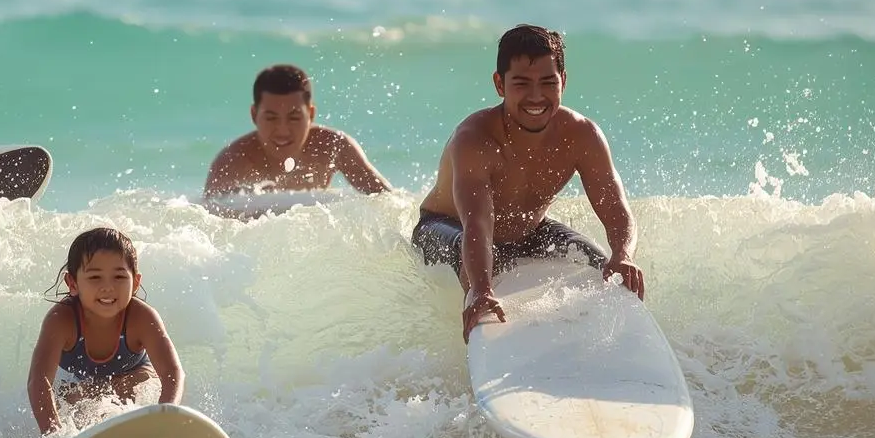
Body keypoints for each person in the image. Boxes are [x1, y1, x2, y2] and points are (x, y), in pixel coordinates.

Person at [413, 24, 646, 344]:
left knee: (601, 265)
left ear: (563, 81)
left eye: (548, 83)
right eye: (521, 83)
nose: (536, 96)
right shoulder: (474, 139)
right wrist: (481, 291)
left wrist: (623, 254)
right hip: (446, 227)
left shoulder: (583, 135)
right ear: (499, 84)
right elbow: (477, 224)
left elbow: (615, 205)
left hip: (531, 229)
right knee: (483, 257)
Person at [24, 227, 184, 438]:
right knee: (72, 404)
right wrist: (52, 436)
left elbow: (172, 373)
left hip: (135, 375)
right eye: (95, 277)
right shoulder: (61, 320)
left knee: (132, 387)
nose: (108, 287)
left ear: (135, 282)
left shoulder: (141, 317)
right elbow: (39, 382)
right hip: (82, 381)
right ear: (73, 284)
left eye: (119, 276)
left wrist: (165, 418)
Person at [203, 64, 392, 207]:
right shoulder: (232, 163)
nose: (283, 130)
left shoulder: (334, 146)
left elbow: (388, 201)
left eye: (294, 118)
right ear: (254, 115)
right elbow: (211, 228)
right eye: (271, 118)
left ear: (310, 114)